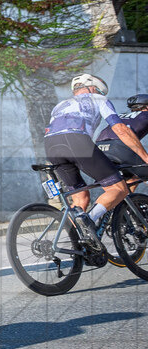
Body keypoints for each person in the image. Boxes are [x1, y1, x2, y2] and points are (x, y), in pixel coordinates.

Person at [44, 75, 148, 233]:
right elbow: (120, 129)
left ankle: (76, 241)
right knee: (119, 188)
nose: (101, 94)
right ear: (92, 88)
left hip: (51, 145)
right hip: (76, 141)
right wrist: (145, 157)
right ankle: (89, 220)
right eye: (100, 91)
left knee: (81, 197)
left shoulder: (60, 105)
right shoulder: (99, 100)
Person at [95, 93, 148, 181]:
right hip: (120, 147)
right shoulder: (146, 115)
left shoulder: (121, 116)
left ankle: (127, 195)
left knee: (132, 178)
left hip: (99, 147)